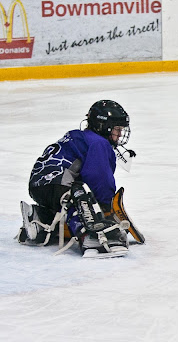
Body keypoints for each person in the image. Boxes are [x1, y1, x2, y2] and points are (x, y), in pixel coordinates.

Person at [18, 100, 132, 256]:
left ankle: (40, 219)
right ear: (103, 126)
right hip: (58, 182)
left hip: (39, 184)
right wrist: (106, 206)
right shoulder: (98, 143)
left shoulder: (78, 137)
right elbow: (98, 178)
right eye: (117, 129)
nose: (119, 134)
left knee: (68, 204)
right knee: (80, 193)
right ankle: (93, 236)